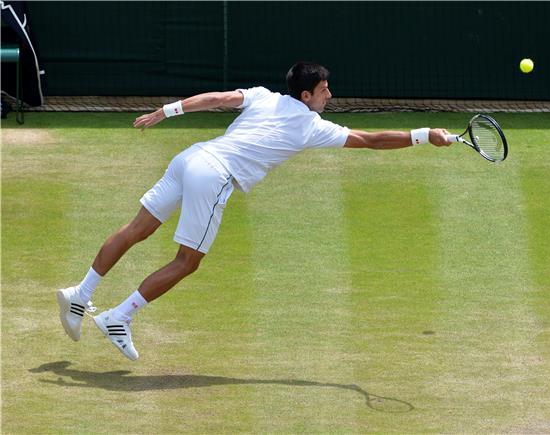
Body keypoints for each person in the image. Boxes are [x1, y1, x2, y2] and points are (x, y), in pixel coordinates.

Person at [57, 62, 452, 361]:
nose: (329, 96)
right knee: (187, 261)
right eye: (324, 90)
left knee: (137, 228)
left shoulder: (264, 96)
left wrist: (167, 111)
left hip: (191, 157)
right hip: (214, 177)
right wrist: (424, 136)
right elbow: (370, 140)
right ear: (306, 97)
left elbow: (217, 99)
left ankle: (81, 292)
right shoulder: (311, 127)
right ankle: (119, 317)